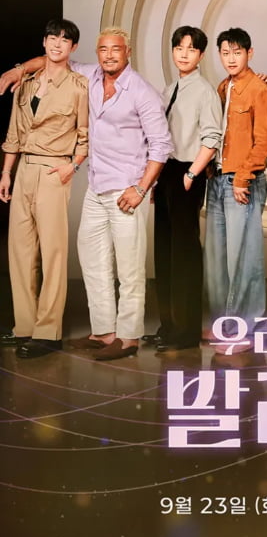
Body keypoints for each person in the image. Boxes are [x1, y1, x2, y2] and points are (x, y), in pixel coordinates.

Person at [2, 27, 173, 360]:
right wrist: (18, 70)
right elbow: (52, 59)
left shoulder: (142, 92)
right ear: (97, 53)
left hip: (127, 189)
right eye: (103, 49)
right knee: (93, 262)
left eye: (115, 49)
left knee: (129, 268)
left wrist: (141, 188)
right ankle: (104, 332)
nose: (109, 55)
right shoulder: (91, 76)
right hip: (97, 187)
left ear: (128, 52)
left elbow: (161, 146)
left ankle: (128, 337)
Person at [0, 19, 88, 359]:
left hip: (54, 170)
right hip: (23, 169)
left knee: (52, 253)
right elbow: (14, 133)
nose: (57, 44)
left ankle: (48, 332)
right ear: (44, 42)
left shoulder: (79, 86)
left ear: (73, 48)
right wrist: (6, 172)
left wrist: (72, 166)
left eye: (65, 40)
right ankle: (25, 325)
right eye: (53, 38)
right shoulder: (26, 84)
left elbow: (85, 135)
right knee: (20, 251)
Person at [150, 26, 222, 353]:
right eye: (179, 47)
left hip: (187, 172)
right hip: (167, 172)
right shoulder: (170, 89)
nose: (183, 54)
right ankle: (168, 326)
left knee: (185, 254)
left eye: (191, 49)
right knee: (165, 252)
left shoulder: (204, 91)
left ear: (201, 55)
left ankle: (186, 331)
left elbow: (212, 137)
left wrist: (192, 173)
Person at [204, 27, 267, 347]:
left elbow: (266, 140)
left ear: (249, 53)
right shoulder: (223, 87)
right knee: (217, 260)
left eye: (237, 52)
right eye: (225, 53)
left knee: (244, 258)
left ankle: (244, 326)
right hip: (218, 180)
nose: (231, 58)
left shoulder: (259, 89)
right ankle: (224, 323)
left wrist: (243, 177)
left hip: (241, 182)